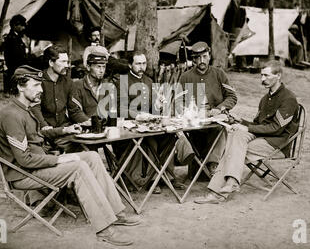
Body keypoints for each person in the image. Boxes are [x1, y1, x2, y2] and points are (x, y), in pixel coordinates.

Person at [0, 65, 141, 245]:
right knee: (77, 167)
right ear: (20, 86)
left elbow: (40, 135)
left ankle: (117, 213)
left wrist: (64, 130)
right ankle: (104, 228)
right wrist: (60, 158)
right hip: (24, 174)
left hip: (39, 165)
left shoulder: (25, 110)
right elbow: (24, 159)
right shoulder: (11, 115)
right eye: (35, 85)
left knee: (92, 157)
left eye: (41, 85)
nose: (41, 90)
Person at [194, 61, 299, 204]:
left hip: (278, 143)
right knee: (236, 135)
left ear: (278, 76)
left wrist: (247, 128)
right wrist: (241, 121)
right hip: (261, 138)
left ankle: (218, 191)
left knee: (233, 147)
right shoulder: (265, 99)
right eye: (261, 75)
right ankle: (228, 185)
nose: (263, 79)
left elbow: (276, 128)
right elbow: (259, 125)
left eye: (267, 75)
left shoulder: (288, 98)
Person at [116, 51, 194, 193]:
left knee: (169, 135)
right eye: (138, 63)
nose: (141, 67)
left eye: (144, 63)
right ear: (130, 65)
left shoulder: (149, 81)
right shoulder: (123, 81)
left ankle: (168, 176)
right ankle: (153, 179)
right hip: (130, 124)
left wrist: (157, 105)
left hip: (148, 123)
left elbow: (153, 108)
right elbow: (121, 108)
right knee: (152, 139)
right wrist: (138, 115)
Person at [178, 41, 237, 176]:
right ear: (193, 60)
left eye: (204, 56)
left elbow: (232, 97)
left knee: (220, 128)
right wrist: (188, 112)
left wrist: (220, 108)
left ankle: (213, 164)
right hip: (195, 120)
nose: (201, 61)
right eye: (197, 58)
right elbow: (178, 101)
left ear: (209, 56)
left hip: (215, 118)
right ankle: (196, 165)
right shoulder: (185, 77)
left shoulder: (219, 74)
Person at [31, 44, 90, 152]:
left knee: (88, 146)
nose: (67, 65)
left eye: (67, 62)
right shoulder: (38, 81)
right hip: (45, 132)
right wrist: (44, 125)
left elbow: (74, 110)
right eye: (62, 62)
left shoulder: (68, 82)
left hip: (64, 129)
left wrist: (87, 121)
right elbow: (35, 108)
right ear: (51, 63)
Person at [72, 48, 113, 120]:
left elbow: (111, 110)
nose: (101, 71)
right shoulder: (77, 86)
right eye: (98, 67)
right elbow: (75, 112)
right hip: (84, 127)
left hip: (104, 127)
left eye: (104, 67)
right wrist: (91, 123)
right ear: (88, 67)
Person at [2, 15, 33, 95]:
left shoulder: (18, 36)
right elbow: (9, 52)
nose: (23, 28)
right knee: (10, 74)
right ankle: (7, 90)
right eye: (22, 26)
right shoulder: (10, 37)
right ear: (15, 25)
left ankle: (16, 89)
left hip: (19, 60)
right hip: (12, 61)